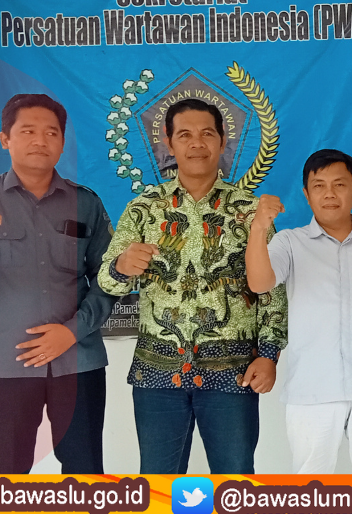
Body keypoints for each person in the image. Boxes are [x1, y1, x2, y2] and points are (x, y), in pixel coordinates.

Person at [99, 98, 288, 474]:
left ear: (222, 142)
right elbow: (108, 281)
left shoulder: (250, 210)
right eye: (184, 135)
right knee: (158, 481)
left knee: (235, 480)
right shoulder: (144, 209)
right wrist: (121, 266)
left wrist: (269, 355)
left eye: (207, 134)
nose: (196, 143)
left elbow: (272, 291)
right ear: (168, 143)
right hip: (157, 372)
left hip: (233, 371)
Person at [0, 94, 114, 474]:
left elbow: (110, 280)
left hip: (77, 362)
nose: (40, 141)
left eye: (51, 133)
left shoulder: (86, 203)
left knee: (85, 472)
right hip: (3, 366)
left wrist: (71, 332)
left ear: (61, 143)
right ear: (5, 139)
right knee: (7, 471)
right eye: (27, 131)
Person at [244, 149, 352, 473]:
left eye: (339, 184)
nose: (330, 194)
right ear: (306, 194)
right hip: (312, 389)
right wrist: (258, 229)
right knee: (310, 487)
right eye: (319, 186)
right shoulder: (289, 242)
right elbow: (259, 282)